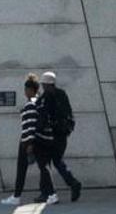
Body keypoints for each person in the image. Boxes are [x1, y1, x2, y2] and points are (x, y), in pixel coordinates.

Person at [12, 71, 79, 204]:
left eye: (43, 85)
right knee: (50, 162)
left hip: (52, 135)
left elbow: (41, 114)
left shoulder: (46, 97)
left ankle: (69, 185)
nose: (43, 87)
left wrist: (36, 130)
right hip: (63, 134)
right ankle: (47, 192)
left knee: (51, 163)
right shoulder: (62, 94)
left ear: (46, 84)